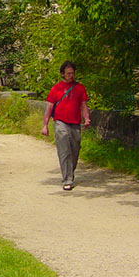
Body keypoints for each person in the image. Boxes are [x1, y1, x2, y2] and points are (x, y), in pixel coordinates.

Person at [41, 61, 91, 191]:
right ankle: (67, 179)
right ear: (62, 74)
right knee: (64, 151)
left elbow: (83, 105)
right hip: (60, 122)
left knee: (75, 151)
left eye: (72, 73)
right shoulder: (56, 88)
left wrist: (86, 118)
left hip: (75, 123)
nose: (71, 75)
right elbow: (49, 107)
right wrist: (45, 125)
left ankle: (70, 173)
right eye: (68, 73)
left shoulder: (80, 88)